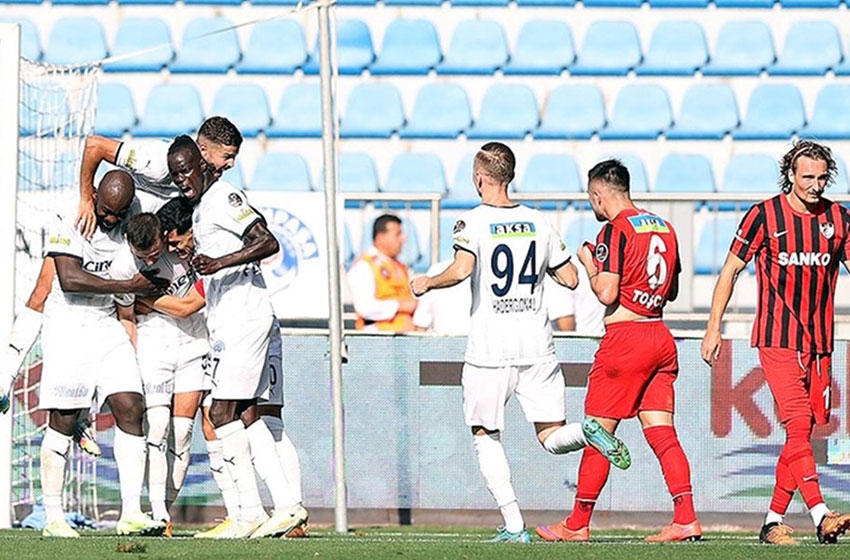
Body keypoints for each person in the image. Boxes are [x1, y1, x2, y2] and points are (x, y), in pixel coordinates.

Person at [411, 143, 630, 544]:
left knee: (485, 434)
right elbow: (570, 279)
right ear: (509, 176)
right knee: (551, 436)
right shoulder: (537, 221)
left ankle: (514, 525)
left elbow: (462, 270)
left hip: (490, 351)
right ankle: (588, 432)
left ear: (480, 178)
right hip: (538, 346)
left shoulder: (472, 221)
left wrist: (428, 282)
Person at [0, 117, 243, 411]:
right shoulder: (158, 161)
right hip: (109, 215)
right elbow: (95, 145)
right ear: (203, 150)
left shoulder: (208, 183)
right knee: (45, 288)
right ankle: (5, 377)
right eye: (227, 156)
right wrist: (86, 199)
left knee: (122, 312)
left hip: (136, 236)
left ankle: (91, 406)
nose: (231, 164)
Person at [537, 159, 700, 543]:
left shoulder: (614, 230)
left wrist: (590, 264)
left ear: (598, 195)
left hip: (626, 340)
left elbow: (606, 293)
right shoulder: (664, 227)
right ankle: (685, 518)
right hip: (659, 335)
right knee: (663, 434)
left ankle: (577, 523)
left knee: (597, 431)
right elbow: (672, 291)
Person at [701, 140, 850, 546]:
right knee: (798, 423)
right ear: (790, 175)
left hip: (820, 344)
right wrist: (713, 326)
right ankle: (821, 514)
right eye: (808, 177)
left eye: (822, 178)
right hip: (777, 339)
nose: (815, 185)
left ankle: (772, 522)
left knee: (802, 434)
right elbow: (730, 270)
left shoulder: (839, 219)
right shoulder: (764, 216)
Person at [138, 198, 308, 539]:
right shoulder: (209, 247)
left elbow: (187, 305)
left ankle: (283, 510)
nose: (177, 250)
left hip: (250, 330)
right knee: (237, 415)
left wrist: (135, 296)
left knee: (257, 418)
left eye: (177, 242)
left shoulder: (215, 246)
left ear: (191, 229)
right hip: (232, 333)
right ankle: (259, 511)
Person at [38, 171, 168, 538]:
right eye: (107, 210)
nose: (112, 218)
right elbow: (70, 279)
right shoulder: (70, 214)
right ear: (94, 195)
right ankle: (53, 518)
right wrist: (127, 286)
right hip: (69, 323)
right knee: (64, 419)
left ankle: (132, 513)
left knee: (131, 407)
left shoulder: (134, 214)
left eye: (119, 212)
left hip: (107, 322)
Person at [109, 209, 208, 535]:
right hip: (153, 342)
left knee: (183, 432)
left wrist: (150, 298)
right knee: (158, 426)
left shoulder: (182, 248)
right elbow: (126, 315)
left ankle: (166, 507)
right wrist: (130, 357)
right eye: (143, 256)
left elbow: (187, 305)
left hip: (193, 340)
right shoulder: (123, 266)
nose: (149, 260)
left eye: (154, 252)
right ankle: (157, 512)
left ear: (162, 238)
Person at [348, 214, 418, 332]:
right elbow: (365, 307)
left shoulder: (401, 267)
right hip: (377, 336)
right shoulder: (364, 266)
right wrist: (400, 306)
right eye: (398, 234)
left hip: (405, 336)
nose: (403, 239)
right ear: (381, 237)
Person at [412, 259, 470, 335]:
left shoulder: (436, 270)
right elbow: (421, 322)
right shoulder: (436, 270)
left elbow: (421, 323)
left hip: (444, 338)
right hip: (445, 340)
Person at [547, 267, 606, 335]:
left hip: (578, 338)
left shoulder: (557, 273)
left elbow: (565, 322)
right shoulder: (596, 267)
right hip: (599, 334)